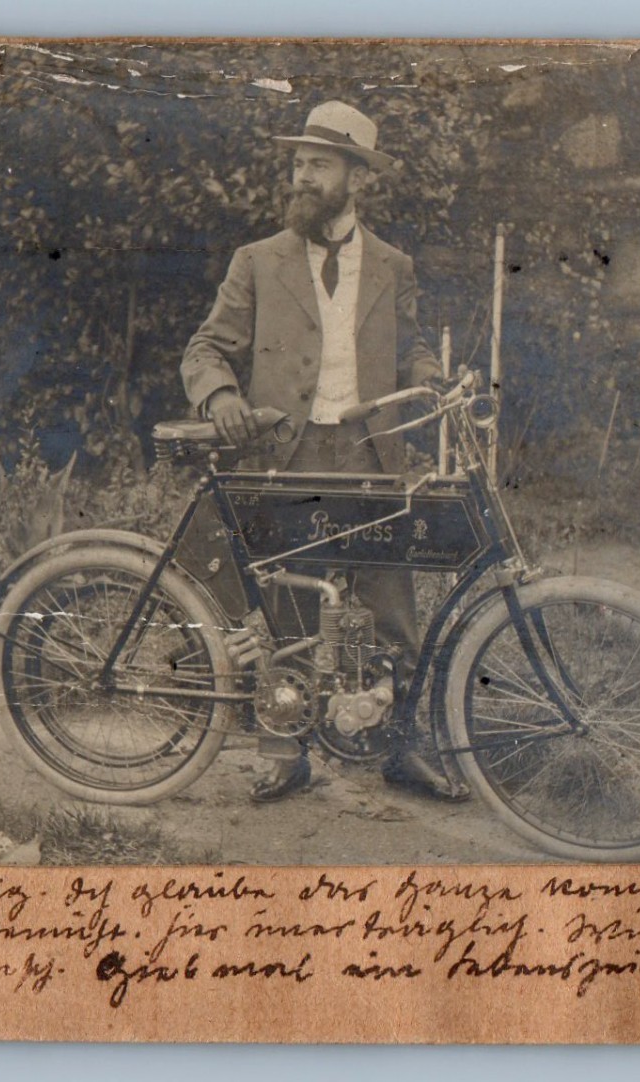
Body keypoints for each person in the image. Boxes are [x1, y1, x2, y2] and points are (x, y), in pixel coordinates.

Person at [181, 100, 466, 804]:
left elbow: (412, 348)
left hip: (370, 455)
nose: (301, 176)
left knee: (392, 605)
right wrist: (220, 399)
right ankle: (283, 752)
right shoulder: (257, 262)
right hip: (285, 454)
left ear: (356, 177)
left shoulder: (393, 266)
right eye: (298, 163)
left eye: (318, 164)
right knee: (286, 606)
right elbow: (207, 348)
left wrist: (428, 383)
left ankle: (403, 749)